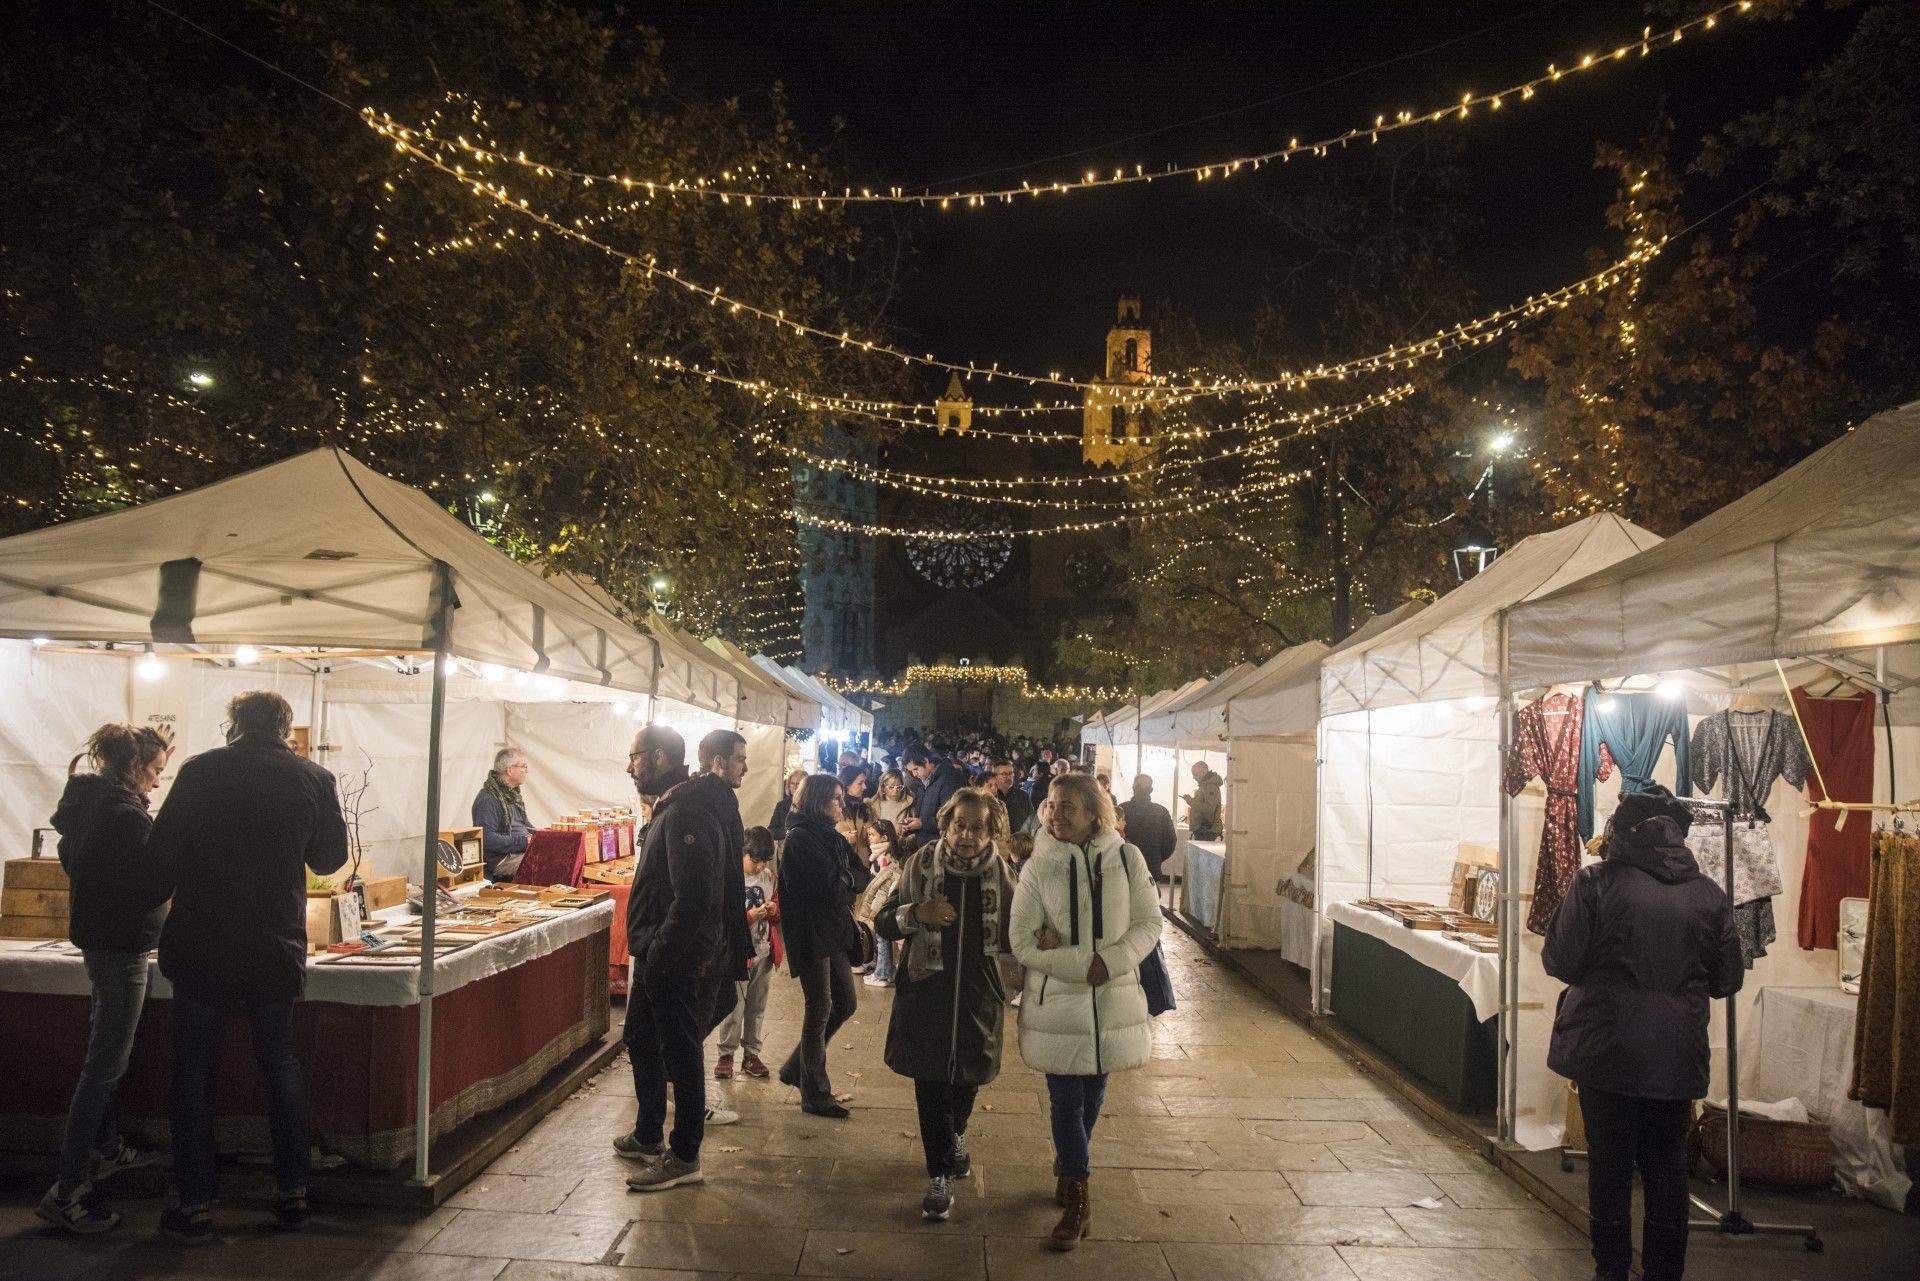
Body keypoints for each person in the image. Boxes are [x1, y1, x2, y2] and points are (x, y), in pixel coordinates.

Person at [149, 691, 348, 1243]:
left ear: (233, 723)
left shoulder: (199, 771)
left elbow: (162, 855)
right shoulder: (313, 778)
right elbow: (329, 859)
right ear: (285, 727)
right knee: (278, 1064)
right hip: (273, 940)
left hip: (202, 939)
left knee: (194, 1072)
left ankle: (194, 1203)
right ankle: (294, 1193)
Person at [1544, 785, 1743, 1281]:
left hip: (1608, 1050)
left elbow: (1560, 960)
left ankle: (1611, 1272)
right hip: (1677, 1053)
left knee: (1610, 1169)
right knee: (1668, 1169)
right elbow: (1727, 980)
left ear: (1621, 830)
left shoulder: (1596, 884)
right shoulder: (1709, 896)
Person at [1011, 772, 1161, 1252]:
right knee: (1066, 1100)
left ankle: (1069, 1163)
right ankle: (1078, 1195)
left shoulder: (1127, 859)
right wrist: (1082, 965)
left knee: (1094, 1091)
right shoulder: (1038, 867)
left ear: (1095, 814)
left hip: (1112, 999)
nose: (1055, 814)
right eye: (1051, 805)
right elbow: (1021, 940)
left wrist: (1111, 961)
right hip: (1057, 1003)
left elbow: (1149, 923)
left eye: (1067, 807)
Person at [37, 725, 173, 1235]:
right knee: (104, 1067)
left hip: (99, 940)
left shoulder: (87, 807)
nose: (157, 781)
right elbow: (151, 884)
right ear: (134, 766)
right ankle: (67, 1191)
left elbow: (74, 865)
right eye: (155, 771)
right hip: (121, 946)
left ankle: (110, 1148)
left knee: (106, 1056)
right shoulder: (125, 818)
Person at [620, 726, 753, 1192]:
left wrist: (660, 952)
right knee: (640, 1038)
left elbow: (695, 898)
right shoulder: (675, 805)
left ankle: (684, 1154)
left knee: (680, 1051)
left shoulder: (687, 812)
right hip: (658, 953)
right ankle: (648, 1133)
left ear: (658, 757)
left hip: (676, 958)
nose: (630, 766)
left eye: (635, 756)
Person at [875, 789, 1017, 1222]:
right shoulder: (920, 864)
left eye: (977, 827)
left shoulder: (1004, 875)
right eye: (960, 825)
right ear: (945, 825)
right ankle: (939, 1173)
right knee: (931, 1082)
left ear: (990, 832)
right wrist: (918, 912)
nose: (967, 836)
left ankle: (957, 1134)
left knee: (968, 1078)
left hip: (979, 993)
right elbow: (882, 920)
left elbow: (1020, 932)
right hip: (926, 993)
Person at [777, 774, 867, 1118]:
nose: (842, 804)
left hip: (834, 933)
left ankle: (796, 1067)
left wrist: (845, 880)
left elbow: (860, 874)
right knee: (819, 1008)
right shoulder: (800, 839)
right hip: (811, 934)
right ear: (817, 801)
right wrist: (845, 881)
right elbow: (829, 887)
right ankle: (814, 1093)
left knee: (845, 1003)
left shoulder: (830, 836)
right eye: (835, 799)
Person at [715, 826, 780, 1083]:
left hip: (763, 950)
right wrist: (750, 916)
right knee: (734, 1006)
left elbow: (779, 908)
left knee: (757, 1006)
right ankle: (726, 1054)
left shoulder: (769, 877)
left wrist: (774, 910)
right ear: (741, 853)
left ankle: (752, 1053)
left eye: (765, 861)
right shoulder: (729, 878)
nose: (760, 866)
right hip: (738, 954)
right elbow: (722, 918)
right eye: (755, 860)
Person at [472, 746, 532, 881]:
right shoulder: (488, 799)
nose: (526, 771)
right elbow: (487, 839)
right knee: (542, 863)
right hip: (500, 860)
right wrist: (524, 842)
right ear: (510, 770)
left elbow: (524, 826)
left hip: (518, 852)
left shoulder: (512, 795)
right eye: (523, 766)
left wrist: (544, 835)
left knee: (555, 855)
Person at [857, 818, 903, 987]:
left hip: (882, 901)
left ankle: (883, 973)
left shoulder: (884, 858)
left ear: (884, 838)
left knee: (881, 937)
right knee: (880, 936)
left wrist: (876, 906)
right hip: (881, 900)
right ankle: (883, 969)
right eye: (869, 834)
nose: (869, 838)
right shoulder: (881, 855)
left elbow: (885, 884)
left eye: (872, 835)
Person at [901, 745, 967, 851]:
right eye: (911, 771)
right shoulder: (923, 779)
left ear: (926, 761)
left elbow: (951, 817)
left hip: (942, 848)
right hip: (926, 846)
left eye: (916, 769)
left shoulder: (950, 778)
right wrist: (913, 824)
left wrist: (922, 823)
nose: (914, 774)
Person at [1117, 776, 1176, 883]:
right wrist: (1157, 858)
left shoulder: (1122, 809)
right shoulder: (1161, 811)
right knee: (1152, 893)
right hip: (1151, 869)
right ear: (1151, 790)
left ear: (1133, 787)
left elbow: (1114, 838)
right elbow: (1170, 842)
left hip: (1125, 867)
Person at [987, 758, 1033, 833]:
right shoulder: (990, 797)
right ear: (995, 776)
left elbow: (1031, 821)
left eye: (1010, 773)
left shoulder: (1023, 796)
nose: (1008, 777)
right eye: (1004, 774)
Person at [1182, 760, 1224, 840]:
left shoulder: (1211, 787)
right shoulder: (1205, 786)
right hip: (1204, 830)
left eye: (1195, 774)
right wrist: (1191, 801)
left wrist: (1192, 802)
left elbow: (1209, 809)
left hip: (1207, 830)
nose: (1193, 777)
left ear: (1203, 772)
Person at [770, 768, 807, 843]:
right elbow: (771, 830)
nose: (795, 787)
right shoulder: (782, 805)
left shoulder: (813, 805)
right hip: (785, 846)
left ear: (806, 786)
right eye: (792, 783)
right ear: (788, 786)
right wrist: (787, 832)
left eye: (798, 784)